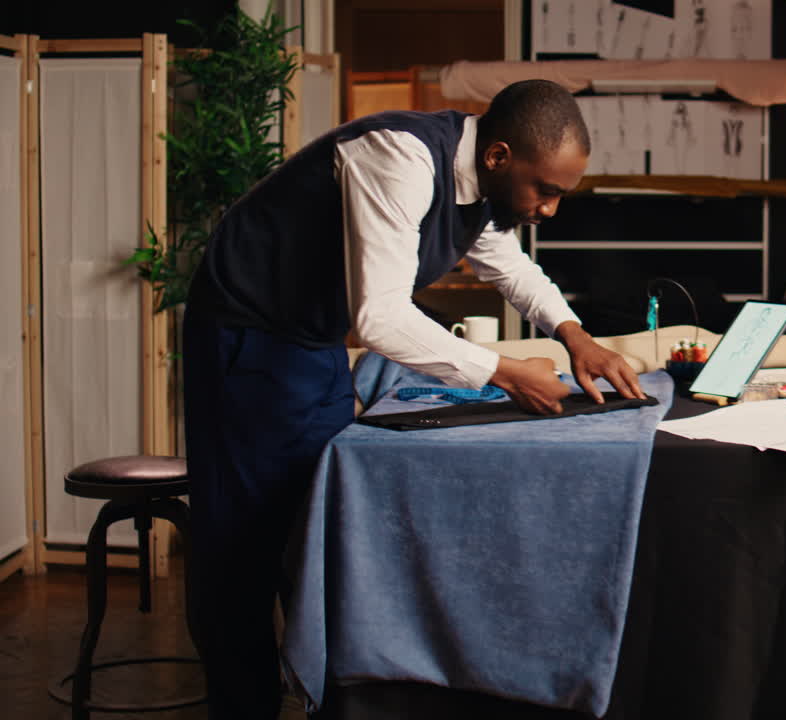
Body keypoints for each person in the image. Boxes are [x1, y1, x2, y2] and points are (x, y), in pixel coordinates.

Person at [182, 79, 644, 719]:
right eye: (547, 190)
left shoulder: (482, 189)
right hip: (245, 339)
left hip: (310, 342)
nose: (550, 209)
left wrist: (574, 336)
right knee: (241, 550)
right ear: (499, 155)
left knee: (308, 525)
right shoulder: (399, 157)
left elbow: (508, 268)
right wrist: (506, 372)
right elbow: (379, 317)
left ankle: (317, 697)